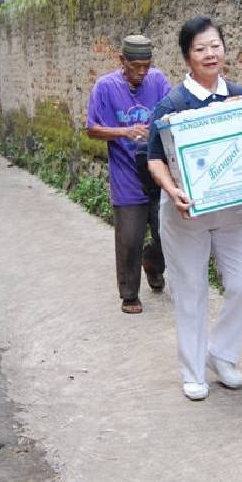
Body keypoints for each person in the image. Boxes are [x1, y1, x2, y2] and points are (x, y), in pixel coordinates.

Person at [147, 16, 242, 401]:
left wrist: (237, 116)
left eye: (215, 45)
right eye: (200, 48)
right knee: (192, 290)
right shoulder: (172, 103)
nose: (210, 54)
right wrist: (171, 189)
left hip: (232, 212)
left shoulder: (240, 96)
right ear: (187, 57)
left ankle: (222, 354)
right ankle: (193, 371)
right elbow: (154, 159)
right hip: (186, 213)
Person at [85, 34, 172, 314]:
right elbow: (92, 128)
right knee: (129, 238)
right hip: (126, 174)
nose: (142, 72)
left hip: (158, 173)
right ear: (122, 61)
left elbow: (173, 112)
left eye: (146, 65)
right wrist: (124, 131)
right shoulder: (105, 87)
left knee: (167, 235)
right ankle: (130, 294)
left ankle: (153, 263)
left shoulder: (158, 81)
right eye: (136, 66)